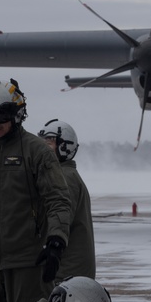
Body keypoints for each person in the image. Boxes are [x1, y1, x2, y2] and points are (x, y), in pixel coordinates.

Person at [0, 79, 72, 302]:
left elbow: (58, 200)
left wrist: (56, 241)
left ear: (18, 114)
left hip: (27, 263)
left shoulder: (37, 152)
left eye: (1, 116)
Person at [38, 119, 95, 282]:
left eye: (48, 144)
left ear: (64, 147)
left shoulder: (65, 178)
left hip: (66, 271)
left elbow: (60, 221)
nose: (42, 149)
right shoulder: (66, 175)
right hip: (70, 270)